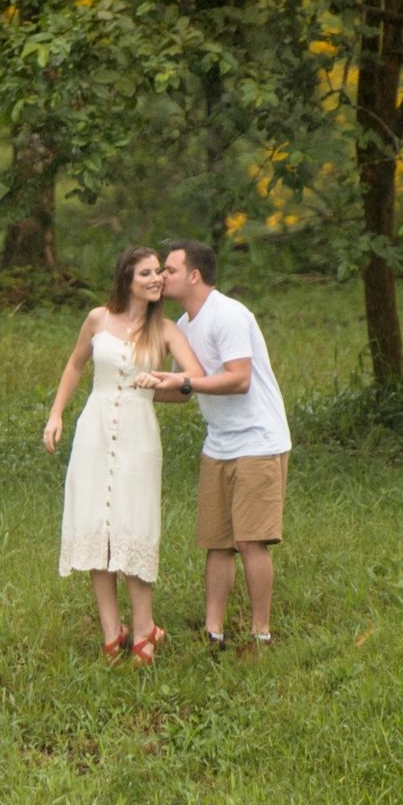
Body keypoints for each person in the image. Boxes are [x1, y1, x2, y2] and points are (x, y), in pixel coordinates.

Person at [43, 245, 204, 664]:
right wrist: (56, 414)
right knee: (97, 526)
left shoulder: (165, 330)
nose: (156, 279)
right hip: (94, 431)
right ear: (126, 278)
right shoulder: (98, 318)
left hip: (138, 434)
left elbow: (195, 377)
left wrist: (162, 379)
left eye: (158, 272)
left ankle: (145, 628)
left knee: (133, 525)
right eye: (145, 273)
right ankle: (112, 632)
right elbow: (75, 364)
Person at [153, 238, 291, 649]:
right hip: (218, 443)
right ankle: (213, 632)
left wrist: (184, 381)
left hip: (258, 440)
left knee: (251, 540)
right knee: (217, 543)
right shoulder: (183, 325)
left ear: (194, 275)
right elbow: (183, 390)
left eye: (170, 269)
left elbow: (238, 378)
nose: (162, 276)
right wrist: (135, 389)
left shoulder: (228, 314)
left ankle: (260, 634)